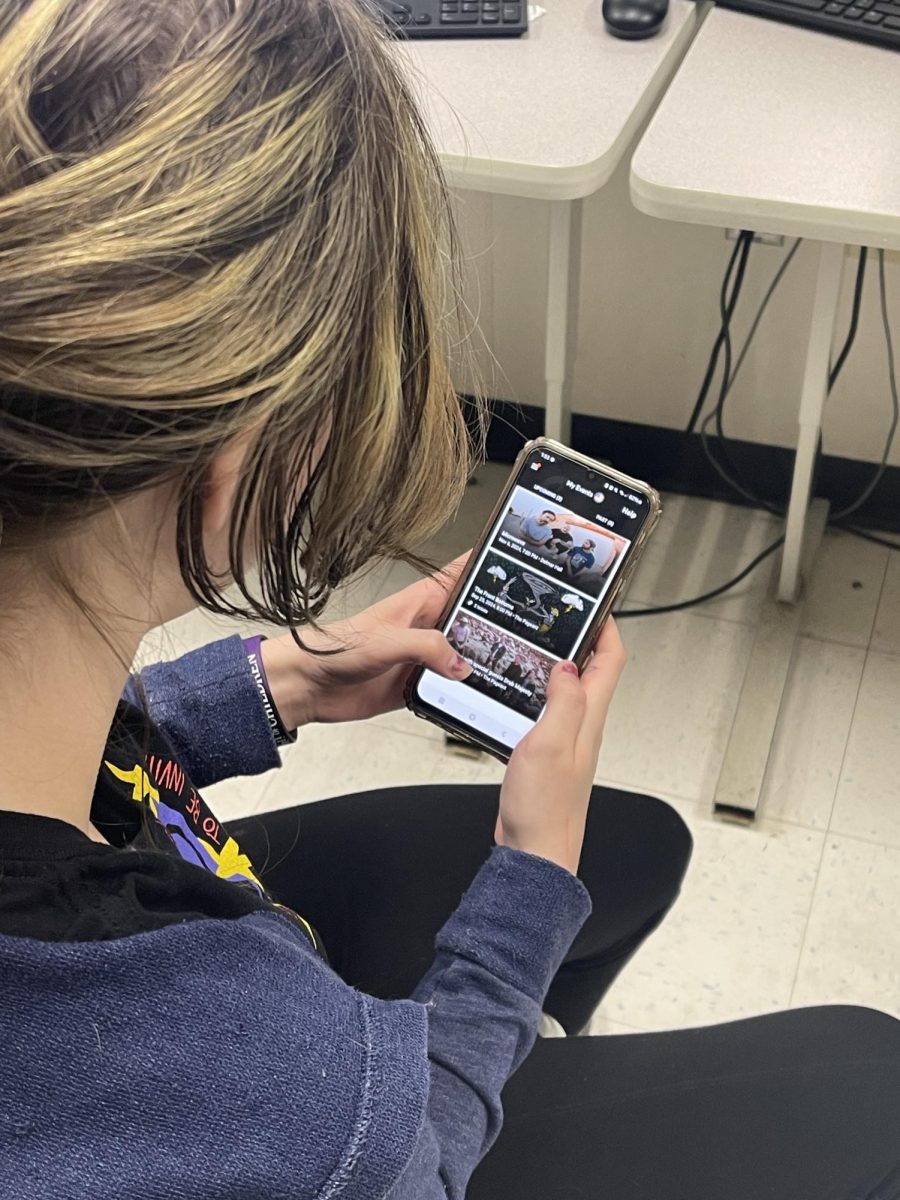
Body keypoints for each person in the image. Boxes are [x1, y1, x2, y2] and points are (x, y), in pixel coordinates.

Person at [0, 4, 897, 1200]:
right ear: (232, 468)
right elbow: (401, 1156)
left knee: (639, 844)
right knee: (865, 1072)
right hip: (359, 1119)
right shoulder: (268, 1088)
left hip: (185, 911)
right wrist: (519, 908)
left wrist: (269, 686)